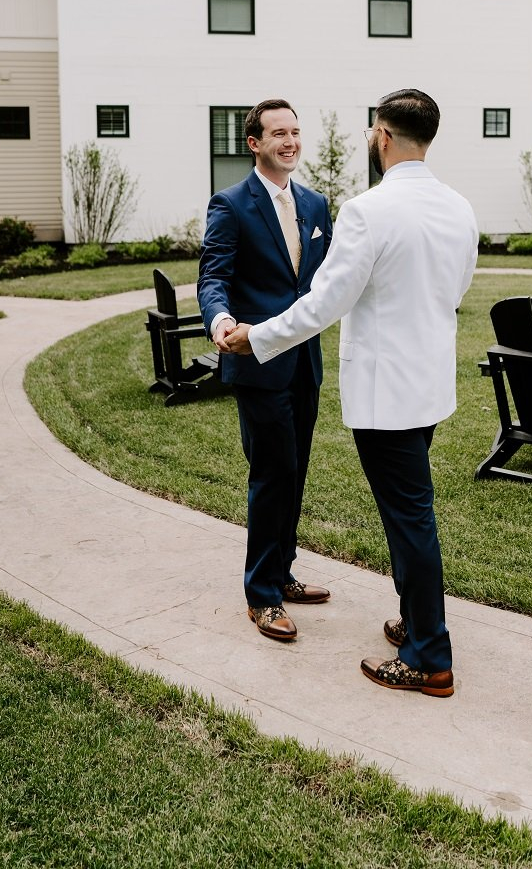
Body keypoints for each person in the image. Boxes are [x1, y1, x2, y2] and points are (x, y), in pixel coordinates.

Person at [226, 88, 478, 697]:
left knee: (410, 519)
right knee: (410, 512)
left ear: (384, 136)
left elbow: (323, 304)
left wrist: (256, 337)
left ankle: (428, 656)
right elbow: (455, 293)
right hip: (428, 388)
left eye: (372, 131)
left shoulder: (367, 211)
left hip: (385, 394)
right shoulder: (460, 208)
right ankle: (415, 622)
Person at [197, 99, 333, 643]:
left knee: (294, 471)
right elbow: (213, 277)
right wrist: (221, 320)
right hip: (256, 363)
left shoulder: (317, 204)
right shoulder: (231, 204)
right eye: (279, 133)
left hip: (307, 362)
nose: (291, 141)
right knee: (272, 473)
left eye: (296, 132)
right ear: (254, 143)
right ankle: (263, 595)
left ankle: (284, 572)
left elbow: (322, 284)